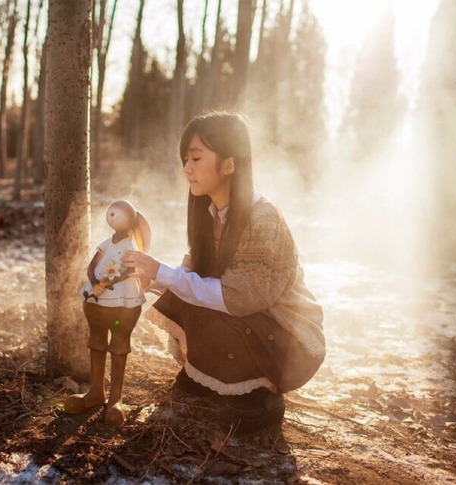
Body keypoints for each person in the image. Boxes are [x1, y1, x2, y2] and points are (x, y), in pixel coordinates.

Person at [121, 110, 326, 433]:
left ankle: (263, 392)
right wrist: (151, 277)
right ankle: (212, 376)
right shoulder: (212, 213)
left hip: (288, 339)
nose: (186, 168)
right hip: (248, 317)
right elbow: (192, 276)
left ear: (229, 164)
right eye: (185, 159)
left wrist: (164, 273)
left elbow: (241, 298)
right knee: (180, 293)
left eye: (196, 158)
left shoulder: (264, 219)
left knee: (195, 292)